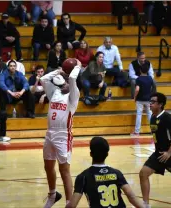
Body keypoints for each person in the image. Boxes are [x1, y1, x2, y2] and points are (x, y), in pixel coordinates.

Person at [40, 59, 81, 207]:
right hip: (50, 133)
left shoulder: (74, 96)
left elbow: (72, 78)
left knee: (64, 170)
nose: (65, 82)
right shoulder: (55, 92)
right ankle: (52, 195)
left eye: (66, 81)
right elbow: (43, 79)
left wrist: (77, 66)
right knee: (48, 166)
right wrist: (58, 71)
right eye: (62, 80)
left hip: (64, 134)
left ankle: (70, 203)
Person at [66, 137, 144, 208]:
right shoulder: (117, 173)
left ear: (91, 154)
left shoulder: (83, 176)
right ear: (107, 154)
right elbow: (131, 197)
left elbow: (72, 205)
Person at [130, 66, 153, 137]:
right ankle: (153, 131)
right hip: (148, 99)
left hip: (140, 100)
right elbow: (151, 88)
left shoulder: (139, 79)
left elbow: (137, 89)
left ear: (140, 70)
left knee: (139, 115)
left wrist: (134, 97)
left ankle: (137, 132)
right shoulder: (150, 78)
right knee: (150, 115)